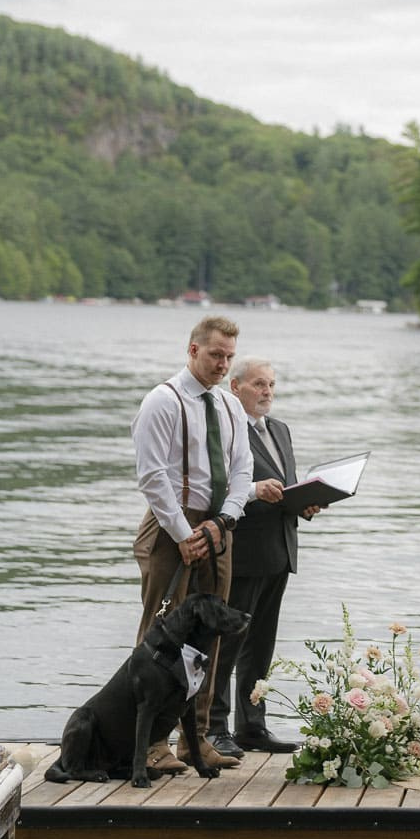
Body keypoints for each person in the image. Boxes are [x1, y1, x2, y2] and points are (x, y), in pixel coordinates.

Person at [130, 314, 256, 775]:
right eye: (215, 354)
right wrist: (184, 534)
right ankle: (148, 743)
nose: (223, 364)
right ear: (193, 350)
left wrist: (225, 520)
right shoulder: (162, 402)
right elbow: (152, 475)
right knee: (159, 636)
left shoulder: (229, 407)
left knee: (209, 636)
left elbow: (242, 469)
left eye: (229, 357)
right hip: (170, 526)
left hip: (218, 527)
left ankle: (195, 739)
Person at [208, 358, 319, 759]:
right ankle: (213, 728)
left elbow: (285, 487)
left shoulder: (280, 429)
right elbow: (217, 489)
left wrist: (304, 503)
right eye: (258, 384)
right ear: (235, 387)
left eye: (271, 384)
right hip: (243, 552)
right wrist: (256, 489)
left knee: (262, 646)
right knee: (227, 644)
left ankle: (252, 726)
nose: (267, 391)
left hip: (281, 550)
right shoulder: (225, 429)